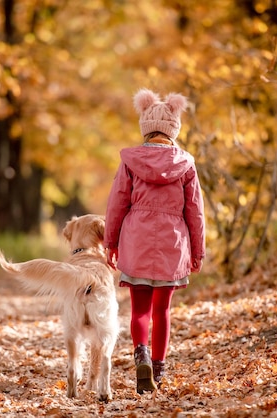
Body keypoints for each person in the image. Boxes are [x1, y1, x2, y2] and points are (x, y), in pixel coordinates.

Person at [104, 88, 206, 394]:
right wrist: (198, 252)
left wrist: (111, 242)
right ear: (174, 127)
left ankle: (141, 357)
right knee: (162, 311)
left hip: (136, 240)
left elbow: (117, 204)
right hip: (172, 246)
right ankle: (158, 372)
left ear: (145, 127)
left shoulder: (130, 162)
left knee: (140, 311)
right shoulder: (185, 165)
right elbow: (195, 212)